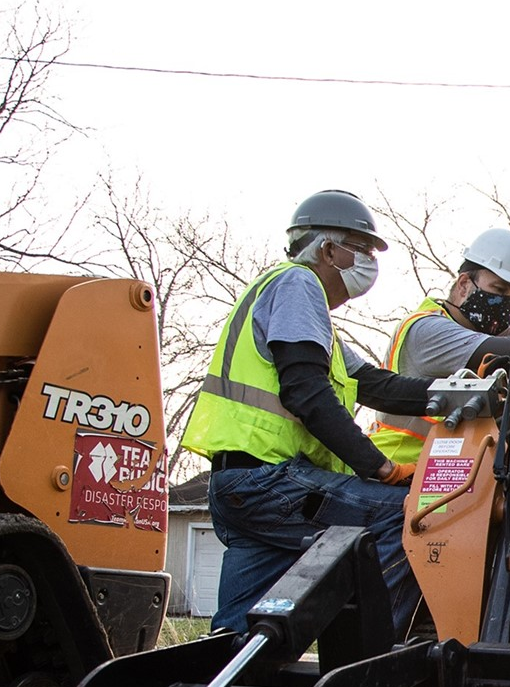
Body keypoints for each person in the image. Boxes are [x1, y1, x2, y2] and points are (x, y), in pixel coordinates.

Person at [181, 189, 441, 640]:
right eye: (361, 251)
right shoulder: (299, 286)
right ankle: (375, 660)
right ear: (327, 249)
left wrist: (460, 393)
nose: (369, 264)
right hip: (271, 482)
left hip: (238, 487)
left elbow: (378, 385)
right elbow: (306, 393)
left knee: (239, 635)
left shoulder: (303, 312)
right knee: (408, 517)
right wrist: (377, 466)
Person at [368, 226, 510, 464]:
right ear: (464, 285)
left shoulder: (482, 328)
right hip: (396, 469)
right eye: (499, 289)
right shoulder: (426, 330)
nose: (506, 303)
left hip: (442, 475)